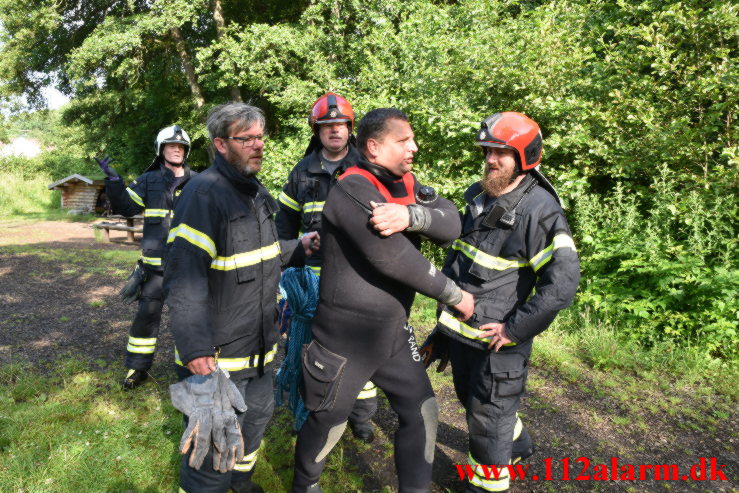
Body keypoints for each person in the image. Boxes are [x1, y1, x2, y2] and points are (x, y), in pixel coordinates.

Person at [291, 108, 474, 493]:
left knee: (422, 411)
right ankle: (304, 486)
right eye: (403, 141)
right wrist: (454, 295)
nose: (414, 147)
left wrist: (411, 216)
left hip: (391, 333)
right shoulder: (351, 190)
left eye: (412, 139)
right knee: (328, 420)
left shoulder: (404, 182)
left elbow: (452, 222)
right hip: (346, 337)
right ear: (373, 147)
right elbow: (393, 259)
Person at [163, 103, 318, 493]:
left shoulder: (256, 192)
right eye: (245, 138)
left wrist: (299, 246)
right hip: (217, 357)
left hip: (260, 350)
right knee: (212, 446)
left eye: (260, 137)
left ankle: (240, 481)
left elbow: (262, 256)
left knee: (255, 423)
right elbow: (183, 279)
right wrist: (196, 349)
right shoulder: (203, 195)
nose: (257, 145)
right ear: (219, 144)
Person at [423, 112, 580, 493]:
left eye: (501, 153)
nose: (491, 160)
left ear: (524, 158)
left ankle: (487, 486)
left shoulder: (540, 211)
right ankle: (520, 444)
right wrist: (442, 333)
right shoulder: (479, 196)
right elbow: (461, 265)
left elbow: (562, 284)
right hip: (464, 332)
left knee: (489, 417)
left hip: (498, 343)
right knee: (474, 401)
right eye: (488, 151)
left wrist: (514, 329)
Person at [275, 92, 378, 442]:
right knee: (310, 346)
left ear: (350, 129)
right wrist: (287, 267)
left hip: (359, 276)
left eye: (340, 125)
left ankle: (361, 417)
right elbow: (284, 224)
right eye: (326, 126)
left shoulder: (368, 167)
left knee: (359, 345)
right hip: (314, 279)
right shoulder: (301, 172)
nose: (334, 131)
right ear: (316, 131)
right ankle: (308, 408)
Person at [96, 125, 196, 389]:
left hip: (189, 268)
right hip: (155, 269)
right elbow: (126, 208)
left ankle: (189, 371)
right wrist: (114, 183)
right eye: (171, 145)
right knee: (145, 319)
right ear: (161, 149)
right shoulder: (148, 180)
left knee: (188, 320)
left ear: (186, 151)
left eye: (181, 146)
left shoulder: (198, 182)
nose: (177, 149)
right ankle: (136, 369)